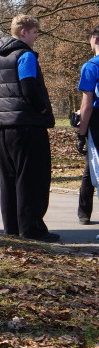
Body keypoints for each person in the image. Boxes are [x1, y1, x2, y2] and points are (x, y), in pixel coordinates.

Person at [0, 14, 58, 242]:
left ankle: (12, 228)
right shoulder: (25, 55)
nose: (36, 36)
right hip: (26, 125)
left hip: (4, 128)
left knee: (9, 178)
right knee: (31, 178)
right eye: (35, 32)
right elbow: (29, 86)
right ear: (23, 33)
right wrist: (41, 109)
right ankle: (31, 230)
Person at [76, 27, 99, 225]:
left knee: (94, 168)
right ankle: (83, 212)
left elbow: (87, 105)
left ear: (94, 39)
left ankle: (84, 213)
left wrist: (81, 134)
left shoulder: (91, 66)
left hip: (97, 122)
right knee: (90, 169)